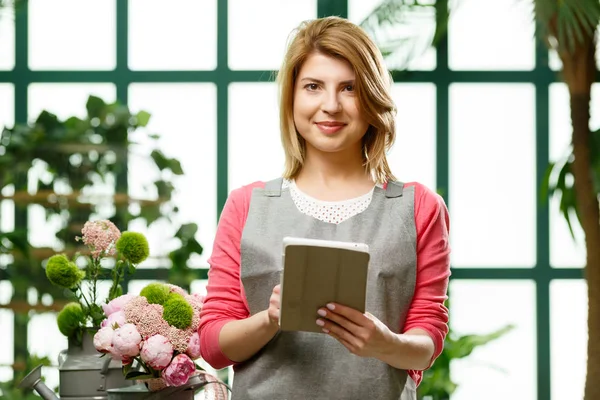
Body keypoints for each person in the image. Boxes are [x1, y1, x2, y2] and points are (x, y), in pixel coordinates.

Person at [199, 16, 450, 400]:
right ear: (293, 98)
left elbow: (427, 334)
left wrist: (382, 343)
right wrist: (269, 320)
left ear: (371, 97)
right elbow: (214, 344)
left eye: (349, 88)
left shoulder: (420, 208)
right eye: (313, 86)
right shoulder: (246, 205)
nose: (330, 105)